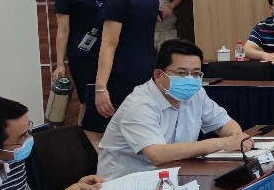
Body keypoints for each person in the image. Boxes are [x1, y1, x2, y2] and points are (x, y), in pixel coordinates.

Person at [96, 40, 253, 180]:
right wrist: (222, 143)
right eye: (181, 73)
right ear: (159, 75)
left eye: (196, 73)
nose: (190, 79)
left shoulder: (196, 93)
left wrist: (236, 137)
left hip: (173, 178)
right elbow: (157, 155)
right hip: (126, 187)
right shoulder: (139, 105)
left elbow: (223, 123)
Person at [93, 0, 160, 121]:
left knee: (105, 130)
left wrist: (100, 87)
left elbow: (109, 43)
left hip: (122, 72)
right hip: (146, 68)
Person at [52, 0, 111, 134]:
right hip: (82, 52)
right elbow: (63, 30)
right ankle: (84, 137)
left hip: (106, 49)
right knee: (88, 99)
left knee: (108, 96)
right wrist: (60, 63)